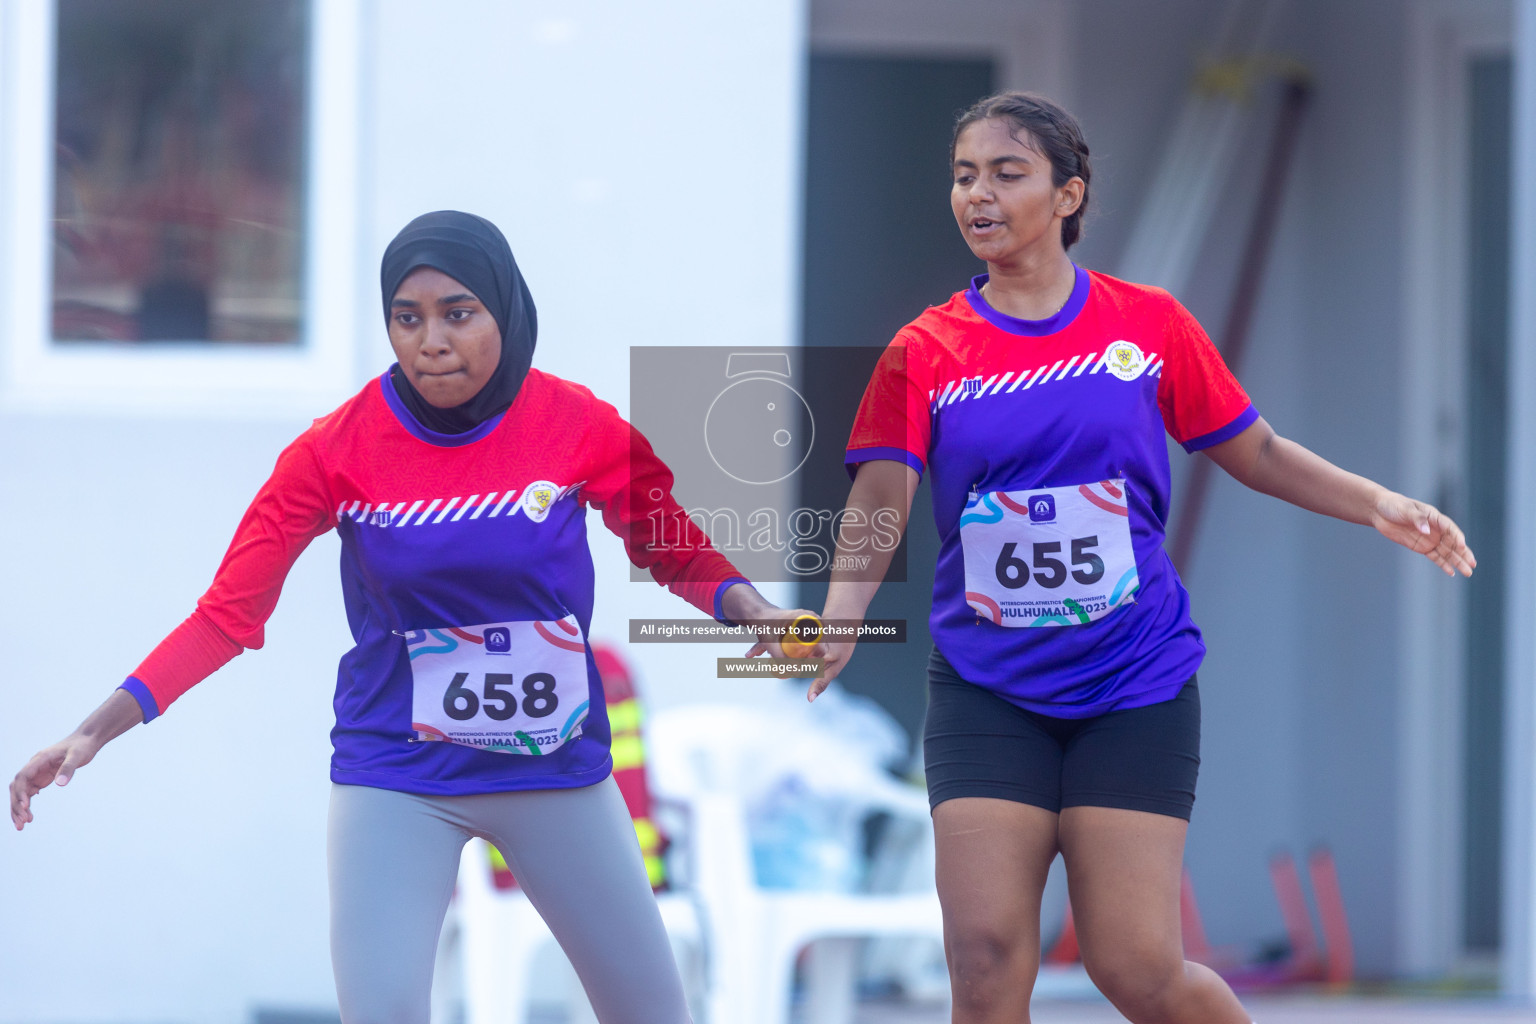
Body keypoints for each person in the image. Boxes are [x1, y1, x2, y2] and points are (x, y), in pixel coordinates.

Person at [9, 211, 817, 1024]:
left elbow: (668, 541)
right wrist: (94, 729)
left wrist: (752, 609)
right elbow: (226, 616)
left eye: (458, 314)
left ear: (506, 309)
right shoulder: (335, 451)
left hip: (551, 765)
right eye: (407, 317)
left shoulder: (577, 427)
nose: (431, 341)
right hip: (398, 774)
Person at [811, 93, 1475, 1024]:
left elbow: (1259, 452)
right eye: (964, 176)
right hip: (986, 684)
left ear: (1067, 193)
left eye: (1007, 174)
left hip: (1134, 683)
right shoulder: (925, 351)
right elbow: (882, 497)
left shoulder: (1148, 326)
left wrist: (1380, 504)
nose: (977, 195)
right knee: (986, 958)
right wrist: (838, 625)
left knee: (1136, 969)